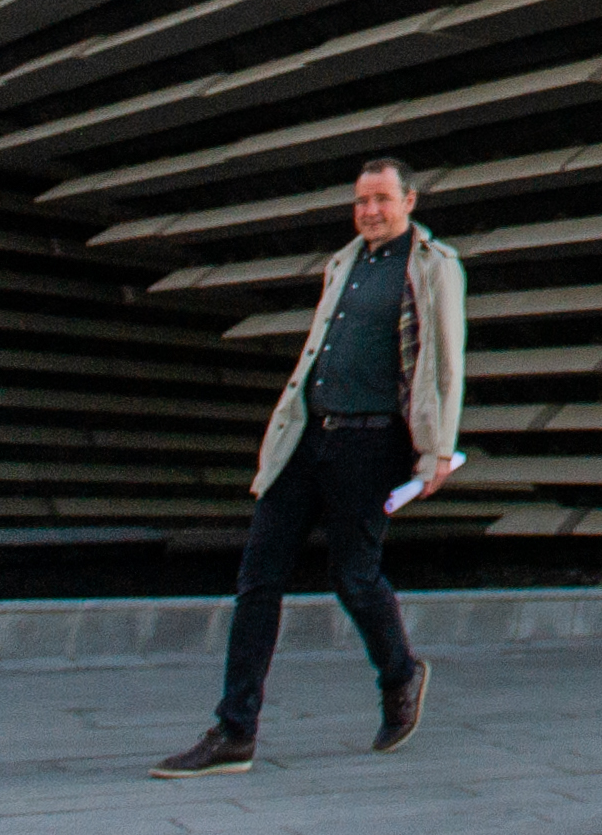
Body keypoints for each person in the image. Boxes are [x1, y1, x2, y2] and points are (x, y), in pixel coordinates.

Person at [152, 156, 466, 778]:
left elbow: (443, 362)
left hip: (371, 443)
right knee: (257, 577)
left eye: (381, 199)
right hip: (307, 437)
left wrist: (435, 451)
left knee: (353, 576)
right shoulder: (344, 262)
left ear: (410, 200)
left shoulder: (433, 267)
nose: (369, 211)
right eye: (360, 200)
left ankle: (400, 674)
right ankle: (234, 730)